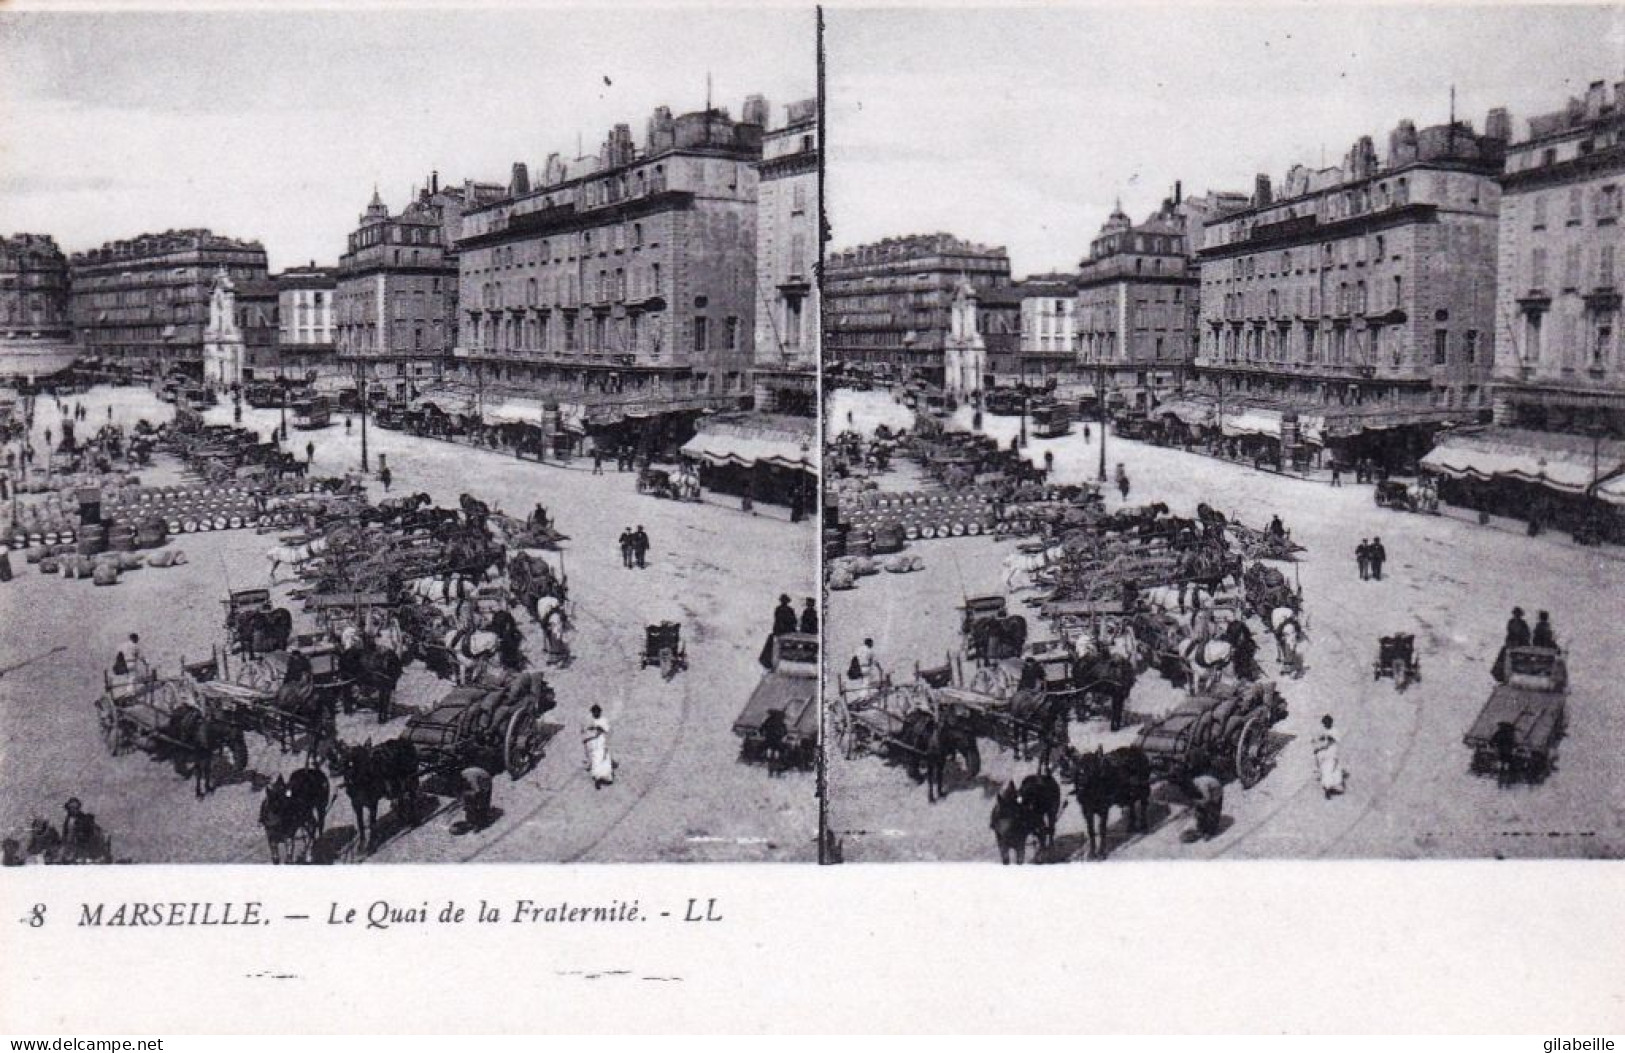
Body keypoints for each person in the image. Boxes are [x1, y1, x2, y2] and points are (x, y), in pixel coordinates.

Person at [1312, 715, 1347, 799]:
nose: (1324, 725)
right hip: (1328, 752)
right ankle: (1333, 785)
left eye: (1325, 723)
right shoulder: (1328, 730)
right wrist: (1316, 739)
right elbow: (1324, 736)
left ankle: (1328, 789)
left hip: (1331, 752)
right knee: (1330, 768)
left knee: (1327, 768)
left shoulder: (1334, 732)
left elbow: (1329, 743)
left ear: (1330, 723)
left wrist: (1318, 748)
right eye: (1324, 723)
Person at [1187, 768, 1225, 839]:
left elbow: (1207, 799)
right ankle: (1202, 829)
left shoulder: (1202, 785)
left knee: (1212, 809)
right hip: (1211, 789)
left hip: (1216, 791)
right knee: (1200, 810)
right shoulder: (1196, 782)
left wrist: (1198, 803)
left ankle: (1211, 831)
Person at [583, 705, 614, 789]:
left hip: (601, 741)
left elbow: (608, 730)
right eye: (594, 712)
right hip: (593, 743)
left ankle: (606, 777)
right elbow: (584, 731)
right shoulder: (588, 720)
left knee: (604, 759)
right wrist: (591, 729)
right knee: (596, 760)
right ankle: (597, 778)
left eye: (597, 712)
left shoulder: (604, 720)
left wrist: (601, 729)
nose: (596, 713)